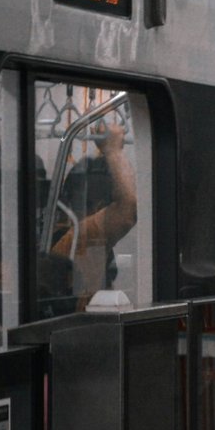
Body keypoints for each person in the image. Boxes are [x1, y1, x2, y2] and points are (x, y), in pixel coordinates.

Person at [47, 114, 137, 312]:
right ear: (99, 206)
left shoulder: (58, 231)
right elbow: (127, 209)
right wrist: (113, 151)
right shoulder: (82, 238)